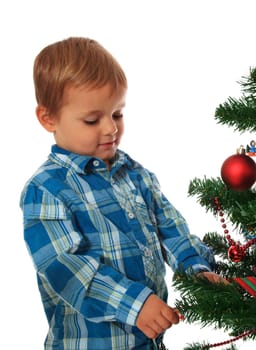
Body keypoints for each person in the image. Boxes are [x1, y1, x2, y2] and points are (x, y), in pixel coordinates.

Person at [20, 37, 225, 350]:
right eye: (92, 119)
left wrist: (197, 269)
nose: (110, 129)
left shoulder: (134, 173)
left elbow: (170, 229)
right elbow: (65, 268)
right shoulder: (46, 189)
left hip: (149, 341)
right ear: (48, 118)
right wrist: (136, 304)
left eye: (117, 114)